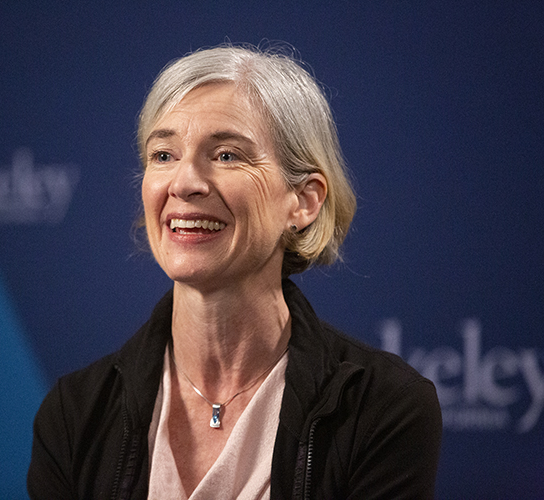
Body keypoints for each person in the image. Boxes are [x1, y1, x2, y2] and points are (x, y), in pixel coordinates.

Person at [27, 44, 442, 499]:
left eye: (226, 155)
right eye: (163, 155)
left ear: (304, 200)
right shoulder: (74, 414)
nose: (184, 183)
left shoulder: (383, 408)